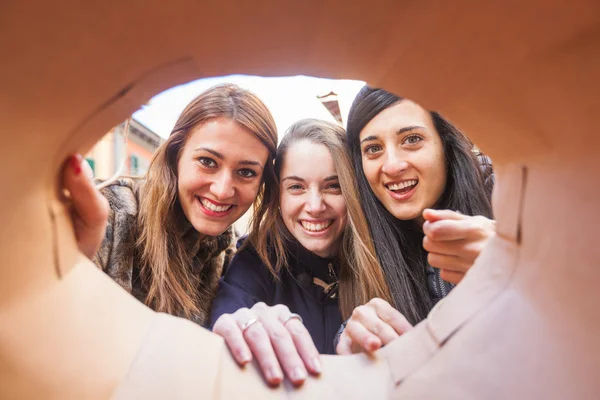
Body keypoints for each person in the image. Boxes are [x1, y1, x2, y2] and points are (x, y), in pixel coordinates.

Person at [209, 119, 395, 380]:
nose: (315, 206)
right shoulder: (257, 258)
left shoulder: (387, 255)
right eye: (296, 187)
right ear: (278, 195)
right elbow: (228, 315)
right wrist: (244, 323)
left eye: (333, 186)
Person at [92, 83, 278, 325]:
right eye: (207, 161)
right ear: (175, 156)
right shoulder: (107, 214)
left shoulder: (235, 258)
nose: (222, 191)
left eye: (246, 172)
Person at [336, 86, 496, 354]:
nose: (392, 166)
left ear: (445, 143)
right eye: (373, 148)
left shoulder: (514, 205)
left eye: (411, 139)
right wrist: (351, 337)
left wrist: (519, 267)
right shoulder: (361, 246)